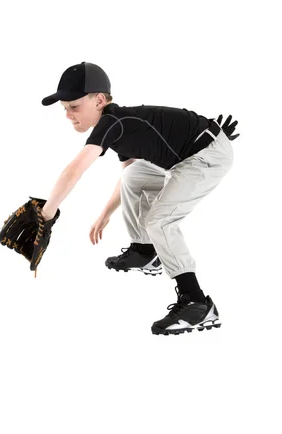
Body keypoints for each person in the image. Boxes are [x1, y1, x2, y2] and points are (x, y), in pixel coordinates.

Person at [40, 62, 239, 335]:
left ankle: (197, 304)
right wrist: (104, 215)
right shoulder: (118, 128)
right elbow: (129, 180)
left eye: (73, 106)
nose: (68, 115)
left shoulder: (113, 122)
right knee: (134, 175)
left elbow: (76, 168)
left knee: (160, 221)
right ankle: (146, 252)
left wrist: (47, 213)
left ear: (99, 100)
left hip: (204, 155)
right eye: (64, 108)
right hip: (189, 155)